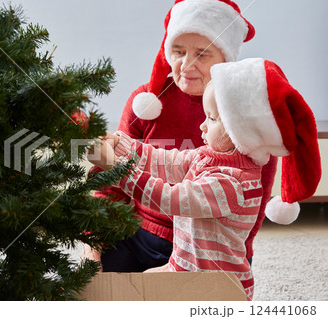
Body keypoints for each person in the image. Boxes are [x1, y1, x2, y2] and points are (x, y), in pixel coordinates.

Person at [88, 58, 321, 300]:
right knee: (139, 287)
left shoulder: (233, 183)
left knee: (142, 295)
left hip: (216, 287)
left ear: (240, 130)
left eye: (211, 118)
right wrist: (120, 144)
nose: (202, 125)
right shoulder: (209, 156)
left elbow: (169, 199)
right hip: (183, 267)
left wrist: (117, 169)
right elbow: (166, 161)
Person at [85, 0, 277, 271]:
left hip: (206, 248)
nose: (186, 65)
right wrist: (93, 243)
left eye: (202, 54)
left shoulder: (243, 115)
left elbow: (254, 200)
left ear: (226, 59)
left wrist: (236, 253)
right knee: (92, 288)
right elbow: (159, 162)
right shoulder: (145, 102)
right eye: (178, 51)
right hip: (141, 234)